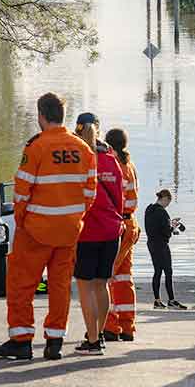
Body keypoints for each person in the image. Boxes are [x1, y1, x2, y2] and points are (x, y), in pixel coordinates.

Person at [0, 93, 97, 361]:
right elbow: (90, 193)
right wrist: (74, 218)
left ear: (40, 115)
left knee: (21, 285)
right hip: (69, 231)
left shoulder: (36, 147)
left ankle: (22, 340)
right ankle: (55, 342)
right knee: (59, 288)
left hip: (36, 230)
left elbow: (22, 193)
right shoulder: (84, 149)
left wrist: (22, 221)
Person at [70, 114, 122, 355]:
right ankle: (99, 334)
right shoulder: (112, 160)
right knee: (102, 285)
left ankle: (92, 340)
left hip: (87, 231)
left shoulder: (79, 159)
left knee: (85, 287)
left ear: (77, 131)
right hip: (112, 230)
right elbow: (119, 199)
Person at [102, 128, 140, 342]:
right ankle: (127, 326)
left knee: (106, 278)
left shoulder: (112, 164)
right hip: (130, 223)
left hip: (116, 225)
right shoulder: (130, 165)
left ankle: (110, 326)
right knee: (124, 278)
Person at [144, 189, 187, 309]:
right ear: (165, 199)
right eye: (168, 202)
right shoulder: (163, 213)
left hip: (151, 243)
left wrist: (170, 225)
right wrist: (173, 227)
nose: (168, 205)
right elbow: (167, 232)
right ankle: (171, 300)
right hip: (161, 245)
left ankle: (157, 301)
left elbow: (155, 226)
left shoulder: (149, 209)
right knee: (168, 271)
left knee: (157, 271)